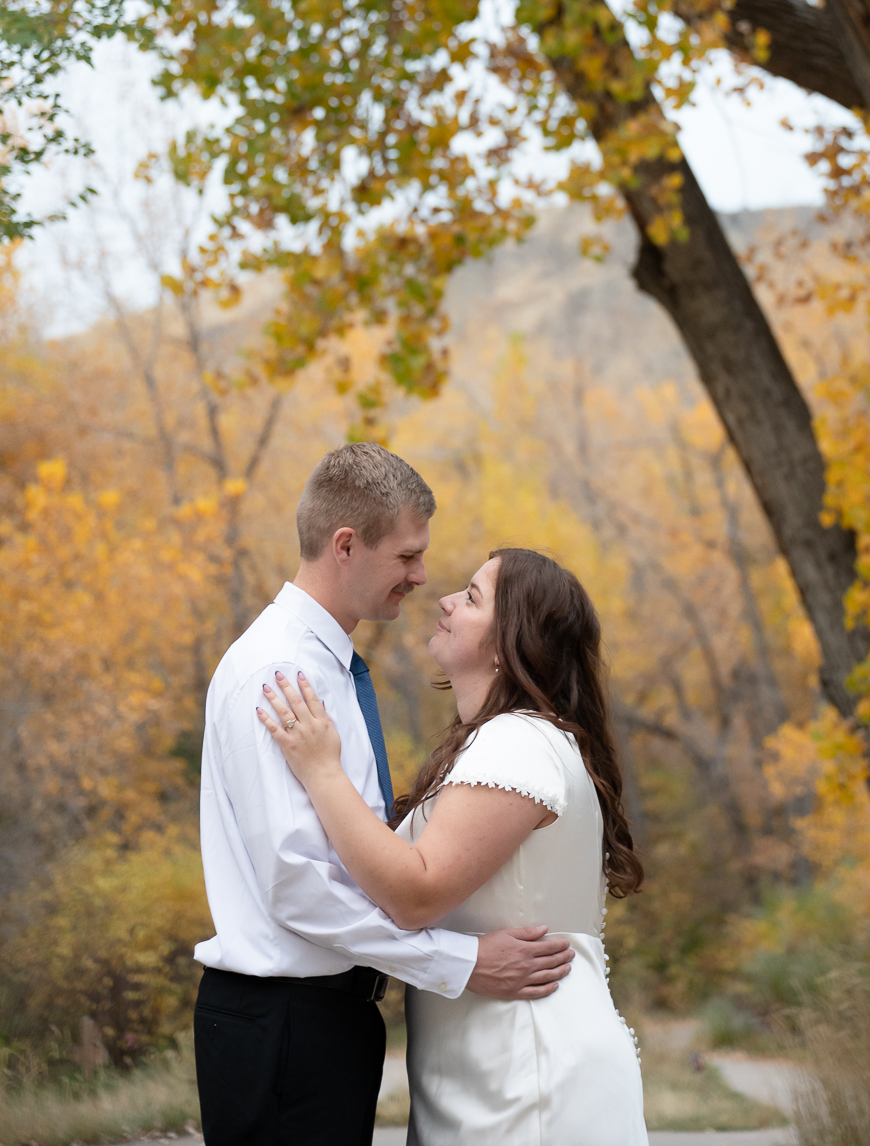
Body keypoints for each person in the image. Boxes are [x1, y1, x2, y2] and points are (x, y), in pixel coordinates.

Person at [194, 444, 575, 1146]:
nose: (421, 577)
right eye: (406, 556)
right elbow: (297, 886)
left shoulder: (328, 667)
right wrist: (459, 963)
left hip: (327, 1020)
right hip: (284, 1024)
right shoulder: (280, 673)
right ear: (345, 546)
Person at [258, 544, 649, 1146]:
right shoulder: (508, 742)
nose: (444, 600)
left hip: (529, 1073)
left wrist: (321, 770)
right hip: (490, 1069)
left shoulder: (518, 742)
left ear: (506, 645)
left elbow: (415, 893)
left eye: (471, 597)